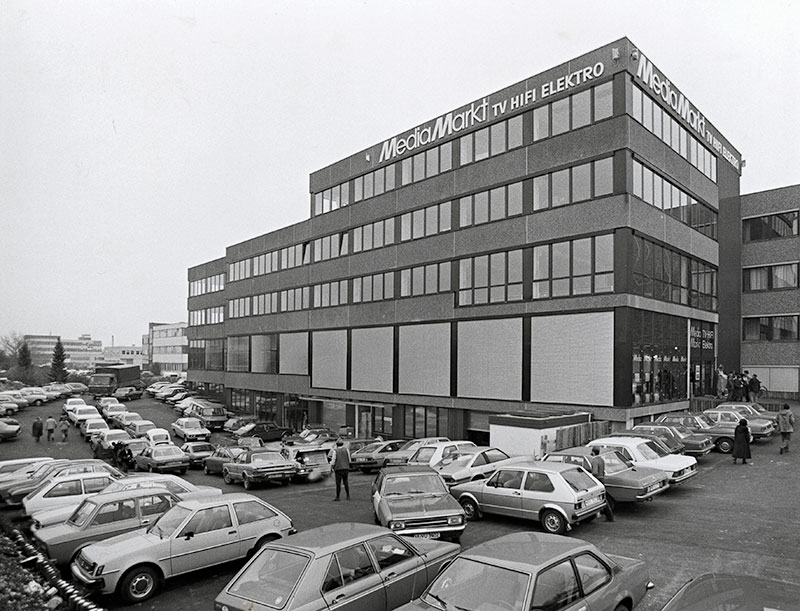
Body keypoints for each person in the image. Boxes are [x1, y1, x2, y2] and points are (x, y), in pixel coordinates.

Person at [589, 447, 614, 522]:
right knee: (603, 497)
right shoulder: (601, 459)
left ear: (593, 452)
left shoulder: (594, 460)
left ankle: (609, 516)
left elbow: (595, 472)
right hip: (602, 478)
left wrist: (590, 475)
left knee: (601, 498)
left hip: (598, 480)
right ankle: (609, 516)